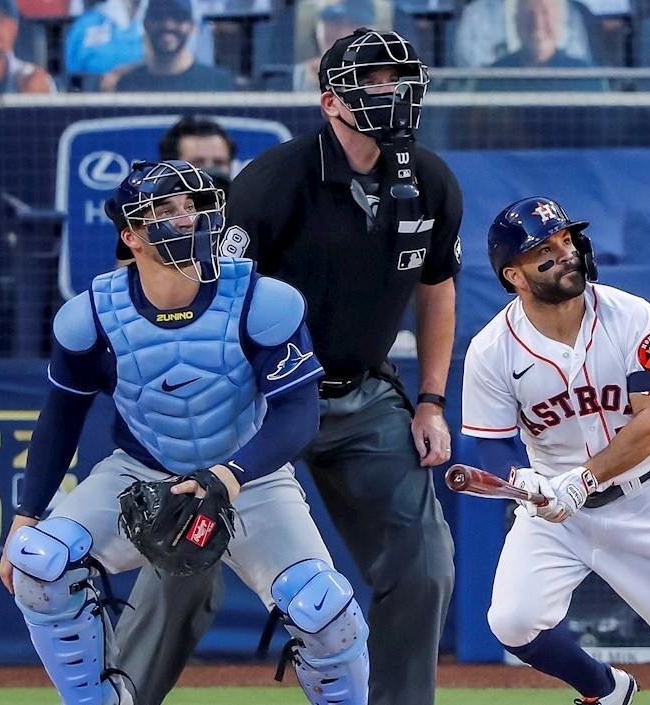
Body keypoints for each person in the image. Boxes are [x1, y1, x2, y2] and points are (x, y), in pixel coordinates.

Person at [115, 28, 458, 705]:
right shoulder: (274, 182)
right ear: (331, 101)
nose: (392, 92)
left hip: (362, 393)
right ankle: (114, 698)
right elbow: (212, 294)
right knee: (184, 553)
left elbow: (437, 284)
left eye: (399, 77)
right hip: (258, 399)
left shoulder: (433, 181)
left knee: (425, 565)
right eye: (374, 80)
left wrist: (432, 399)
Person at [0, 159, 370, 705]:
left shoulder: (262, 299)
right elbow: (60, 418)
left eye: (194, 206)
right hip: (141, 473)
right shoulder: (92, 316)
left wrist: (231, 474)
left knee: (323, 608)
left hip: (248, 476)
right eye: (168, 211)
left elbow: (297, 413)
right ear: (132, 236)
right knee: (39, 562)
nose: (190, 219)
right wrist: (26, 515)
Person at [461, 196, 650, 705]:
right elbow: (490, 441)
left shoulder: (631, 316)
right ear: (514, 276)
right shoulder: (492, 349)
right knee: (512, 622)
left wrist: (583, 479)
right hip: (556, 511)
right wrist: (521, 480)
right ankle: (607, 689)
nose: (565, 254)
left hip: (644, 501)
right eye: (543, 251)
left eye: (565, 240)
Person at [109, 120, 238, 703]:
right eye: (193, 169)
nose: (206, 185)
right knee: (176, 565)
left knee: (319, 603)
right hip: (176, 452)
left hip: (267, 428)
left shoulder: (249, 232)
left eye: (216, 167)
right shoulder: (129, 281)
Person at [103, 0, 236, 91]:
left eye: (178, 18)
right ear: (145, 24)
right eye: (159, 17)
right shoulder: (129, 84)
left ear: (192, 27)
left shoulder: (218, 82)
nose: (168, 25)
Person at [480, 0, 607, 92]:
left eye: (545, 13)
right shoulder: (490, 79)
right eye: (529, 14)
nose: (538, 24)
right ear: (516, 21)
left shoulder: (587, 79)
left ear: (560, 20)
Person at [453, 0, 590, 68]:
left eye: (544, 13)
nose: (538, 22)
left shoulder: (570, 11)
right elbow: (473, 79)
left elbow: (579, 72)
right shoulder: (477, 14)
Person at [290, 0, 374, 92]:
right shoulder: (296, 77)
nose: (340, 32)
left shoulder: (382, 78)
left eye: (351, 24)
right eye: (331, 22)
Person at [158, 115, 237, 190]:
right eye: (198, 163)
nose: (210, 170)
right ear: (170, 169)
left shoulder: (244, 203)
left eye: (218, 163)